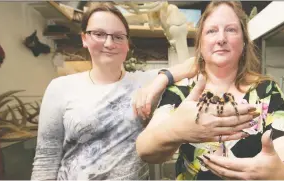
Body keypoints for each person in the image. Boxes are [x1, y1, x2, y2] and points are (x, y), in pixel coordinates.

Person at [136, 1, 284, 180]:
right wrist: (174, 130)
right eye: (211, 31)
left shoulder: (266, 91)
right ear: (200, 44)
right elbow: (145, 149)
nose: (221, 39)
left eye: (231, 30)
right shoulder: (182, 91)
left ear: (243, 42)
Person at [31, 2, 198, 180]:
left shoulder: (145, 82)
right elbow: (45, 159)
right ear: (84, 39)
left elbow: (197, 64)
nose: (109, 43)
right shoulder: (60, 88)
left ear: (127, 45)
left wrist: (161, 79)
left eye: (118, 37)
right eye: (99, 34)